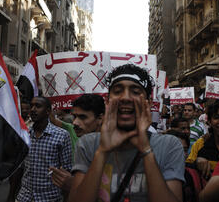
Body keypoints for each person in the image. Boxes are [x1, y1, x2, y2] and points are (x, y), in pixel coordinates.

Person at [68, 64, 185, 202]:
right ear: (107, 101)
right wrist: (102, 151)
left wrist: (146, 150)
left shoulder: (169, 146)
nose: (125, 98)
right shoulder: (88, 144)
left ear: (148, 103)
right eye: (117, 91)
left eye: (135, 92)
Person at [49, 94, 105, 199]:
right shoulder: (82, 141)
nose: (75, 122)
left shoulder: (112, 147)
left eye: (83, 117)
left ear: (100, 118)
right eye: (74, 116)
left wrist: (74, 186)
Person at [16, 96, 72, 202]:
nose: (32, 109)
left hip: (49, 197)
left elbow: (66, 171)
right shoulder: (24, 134)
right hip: (25, 196)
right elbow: (20, 168)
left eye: (38, 106)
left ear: (47, 111)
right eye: (31, 106)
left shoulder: (62, 135)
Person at [186, 100, 219, 179]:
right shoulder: (200, 143)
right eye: (217, 117)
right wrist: (196, 163)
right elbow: (187, 169)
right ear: (209, 121)